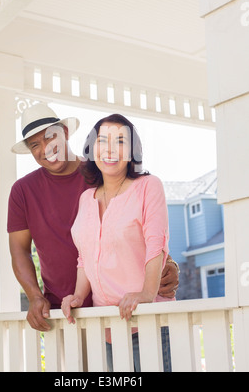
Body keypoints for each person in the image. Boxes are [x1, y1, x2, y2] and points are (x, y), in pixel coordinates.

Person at [7, 104, 179, 337]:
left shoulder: (103, 170)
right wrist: (35, 297)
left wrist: (169, 266)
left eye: (51, 137)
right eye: (35, 145)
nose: (46, 148)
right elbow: (19, 250)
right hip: (65, 310)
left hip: (122, 309)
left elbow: (149, 226)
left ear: (65, 134)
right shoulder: (23, 191)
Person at [61, 114, 175, 372]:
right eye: (103, 141)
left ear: (132, 151)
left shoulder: (148, 186)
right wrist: (78, 296)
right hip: (108, 328)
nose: (111, 149)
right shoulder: (86, 198)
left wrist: (146, 293)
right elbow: (85, 257)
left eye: (121, 141)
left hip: (149, 324)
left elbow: (157, 244)